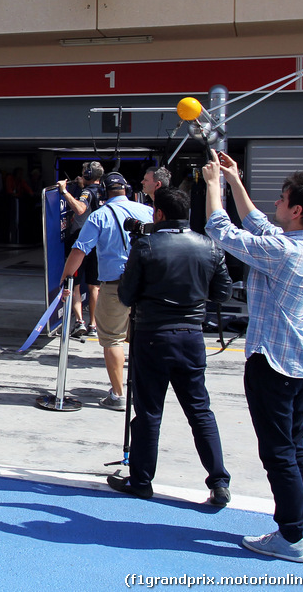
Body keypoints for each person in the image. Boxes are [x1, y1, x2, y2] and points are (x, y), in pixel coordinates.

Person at [203, 150, 303, 563]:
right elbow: (258, 223)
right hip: (300, 361)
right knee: (297, 446)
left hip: (272, 363)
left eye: (281, 199)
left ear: (296, 210)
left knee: (278, 452)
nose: (275, 204)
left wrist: (213, 187)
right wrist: (234, 179)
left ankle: (291, 536)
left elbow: (221, 230)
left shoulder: (284, 253)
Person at [107, 188, 232, 506]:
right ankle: (218, 482)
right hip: (191, 336)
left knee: (149, 413)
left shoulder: (146, 244)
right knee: (200, 410)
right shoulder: (208, 246)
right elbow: (223, 293)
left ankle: (141, 481)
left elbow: (126, 296)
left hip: (152, 336)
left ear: (159, 214)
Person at [60, 172, 153, 411]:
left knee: (113, 339)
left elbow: (79, 250)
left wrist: (65, 279)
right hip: (148, 285)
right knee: (143, 338)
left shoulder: (99, 216)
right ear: (128, 190)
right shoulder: (148, 212)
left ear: (102, 193)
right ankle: (144, 389)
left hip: (115, 286)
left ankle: (119, 394)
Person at [58, 162, 104, 335]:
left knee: (74, 284)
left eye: (84, 173)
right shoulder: (104, 190)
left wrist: (65, 192)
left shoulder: (87, 192)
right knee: (94, 286)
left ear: (88, 175)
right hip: (99, 243)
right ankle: (93, 325)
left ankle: (79, 322)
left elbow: (80, 209)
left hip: (82, 241)